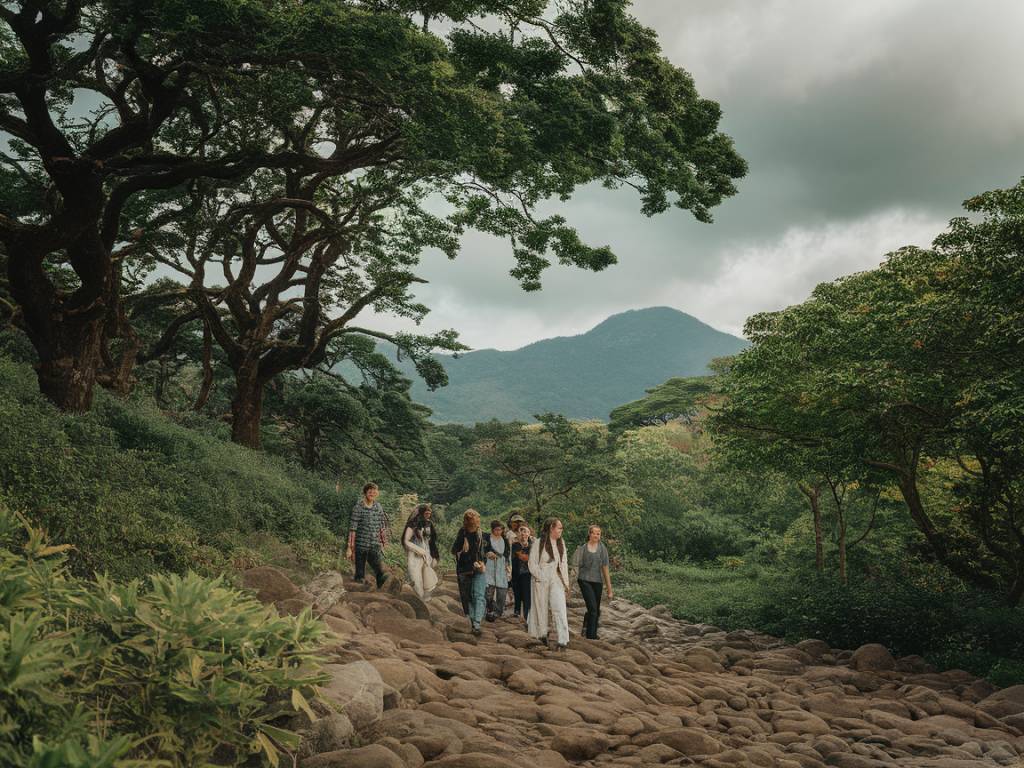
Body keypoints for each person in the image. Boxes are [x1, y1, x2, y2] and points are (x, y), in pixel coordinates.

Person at [528, 517, 570, 649]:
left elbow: (564, 564)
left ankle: (563, 640)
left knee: (559, 608)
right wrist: (541, 577)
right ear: (551, 528)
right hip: (541, 579)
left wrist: (566, 584)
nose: (561, 530)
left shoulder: (561, 543)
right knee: (540, 607)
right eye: (559, 527)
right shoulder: (538, 543)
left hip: (557, 578)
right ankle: (542, 635)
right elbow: (532, 564)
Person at [572, 524, 613, 640]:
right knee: (593, 609)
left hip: (598, 582)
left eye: (598, 533)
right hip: (584, 580)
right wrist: (568, 587)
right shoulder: (582, 549)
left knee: (595, 609)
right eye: (594, 533)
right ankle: (591, 636)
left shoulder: (602, 549)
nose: (596, 535)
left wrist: (609, 589)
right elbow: (575, 569)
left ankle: (586, 627)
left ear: (600, 536)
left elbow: (605, 569)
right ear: (589, 534)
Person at [346, 482, 389, 588]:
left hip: (374, 545)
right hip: (361, 545)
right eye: (370, 492)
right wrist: (350, 548)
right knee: (360, 573)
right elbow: (352, 529)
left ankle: (381, 593)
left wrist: (383, 542)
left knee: (379, 571)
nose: (372, 494)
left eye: (374, 492)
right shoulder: (358, 508)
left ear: (377, 494)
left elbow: (382, 526)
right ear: (365, 493)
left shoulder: (378, 507)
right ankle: (358, 596)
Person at [451, 508, 487, 635]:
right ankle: (473, 622)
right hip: (464, 570)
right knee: (467, 597)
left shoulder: (479, 532)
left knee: (479, 596)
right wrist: (462, 548)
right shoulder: (462, 533)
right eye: (473, 519)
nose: (476, 521)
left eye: (476, 518)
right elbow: (454, 550)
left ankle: (477, 623)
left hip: (478, 569)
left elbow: (481, 552)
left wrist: (483, 564)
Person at [403, 503, 439, 601]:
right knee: (416, 578)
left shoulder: (429, 524)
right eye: (426, 513)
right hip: (414, 555)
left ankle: (425, 600)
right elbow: (406, 541)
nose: (428, 515)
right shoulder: (413, 523)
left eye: (429, 514)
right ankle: (418, 599)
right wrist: (418, 550)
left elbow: (432, 542)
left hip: (427, 554)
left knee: (427, 578)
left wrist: (435, 556)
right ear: (421, 513)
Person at [482, 520, 511, 621]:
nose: (499, 531)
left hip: (501, 565)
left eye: (501, 529)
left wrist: (508, 565)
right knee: (489, 590)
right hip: (490, 565)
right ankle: (489, 610)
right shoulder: (487, 538)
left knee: (502, 591)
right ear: (492, 529)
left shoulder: (505, 539)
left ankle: (498, 612)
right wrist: (487, 553)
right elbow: (483, 550)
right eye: (496, 530)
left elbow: (507, 553)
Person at [510, 524, 533, 621]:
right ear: (518, 534)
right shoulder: (515, 545)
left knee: (527, 594)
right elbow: (522, 557)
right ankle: (517, 611)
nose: (524, 534)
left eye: (526, 532)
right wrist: (530, 558)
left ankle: (527, 615)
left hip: (527, 573)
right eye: (522, 532)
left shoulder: (532, 545)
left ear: (529, 534)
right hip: (516, 572)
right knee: (517, 592)